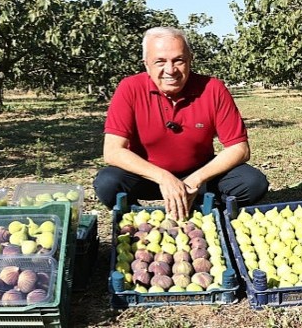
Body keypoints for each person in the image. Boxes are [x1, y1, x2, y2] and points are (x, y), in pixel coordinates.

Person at [92, 26, 269, 220]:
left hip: (199, 174)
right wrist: (163, 177)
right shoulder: (130, 88)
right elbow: (113, 151)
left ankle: (206, 208)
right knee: (108, 183)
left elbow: (239, 148)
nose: (170, 70)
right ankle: (137, 218)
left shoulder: (212, 89)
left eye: (179, 60)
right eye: (160, 61)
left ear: (190, 60)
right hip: (148, 177)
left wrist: (196, 179)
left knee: (252, 183)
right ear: (146, 64)